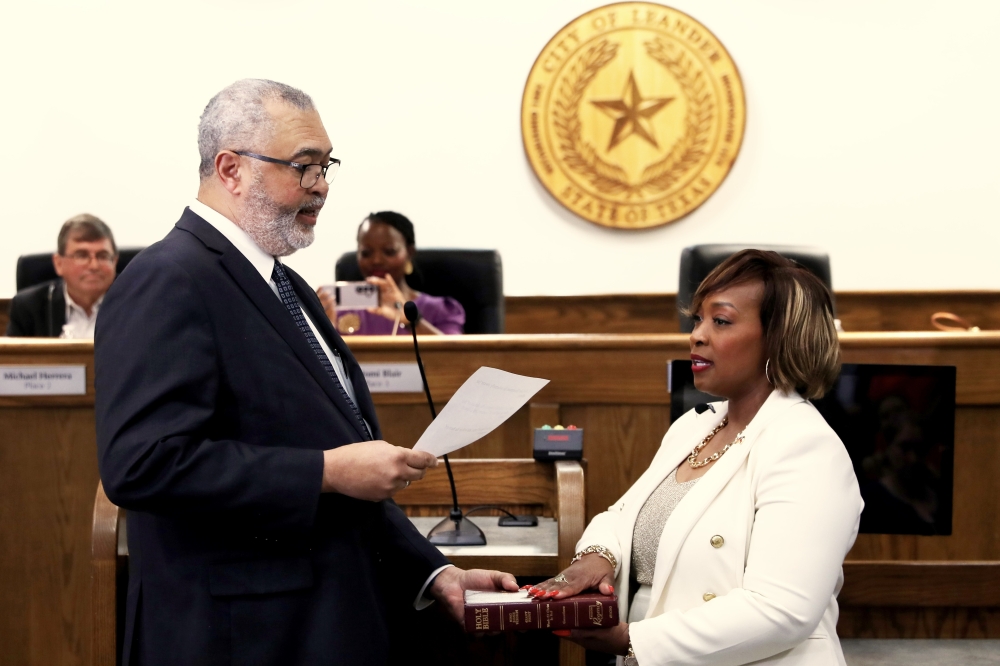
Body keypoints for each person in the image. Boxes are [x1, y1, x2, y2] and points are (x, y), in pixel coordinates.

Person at [94, 79, 516, 666]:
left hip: (325, 624)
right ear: (231, 169)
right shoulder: (167, 279)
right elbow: (143, 464)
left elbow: (342, 464)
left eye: (326, 166)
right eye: (303, 166)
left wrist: (436, 573)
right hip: (237, 638)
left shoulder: (286, 284)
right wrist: (326, 471)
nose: (320, 185)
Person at [528, 250, 863, 666]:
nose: (697, 336)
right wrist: (598, 556)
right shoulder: (695, 424)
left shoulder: (806, 447)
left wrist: (633, 640)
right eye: (697, 319)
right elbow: (623, 515)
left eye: (720, 321)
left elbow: (781, 611)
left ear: (780, 338)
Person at [317, 211, 465, 335]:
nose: (376, 260)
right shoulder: (337, 311)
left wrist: (412, 321)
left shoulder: (440, 310)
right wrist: (319, 328)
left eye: (389, 252)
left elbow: (456, 357)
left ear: (409, 253)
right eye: (366, 253)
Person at [6, 213, 117, 337]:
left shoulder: (131, 303)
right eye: (81, 255)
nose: (94, 266)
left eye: (103, 256)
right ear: (59, 263)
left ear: (115, 261)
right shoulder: (29, 308)